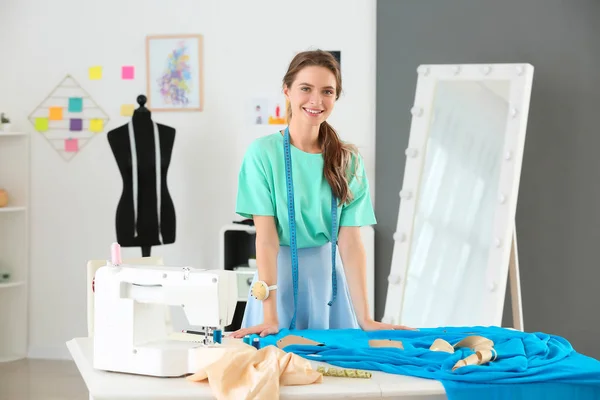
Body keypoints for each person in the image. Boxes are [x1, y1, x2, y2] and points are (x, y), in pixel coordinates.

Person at [231, 50, 413, 339]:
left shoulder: (348, 159)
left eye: (327, 91)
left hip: (329, 287)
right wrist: (270, 316)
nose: (316, 100)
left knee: (335, 376)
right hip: (276, 285)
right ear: (287, 91)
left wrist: (365, 318)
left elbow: (351, 243)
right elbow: (266, 240)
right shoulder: (262, 154)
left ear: (335, 97)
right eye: (306, 89)